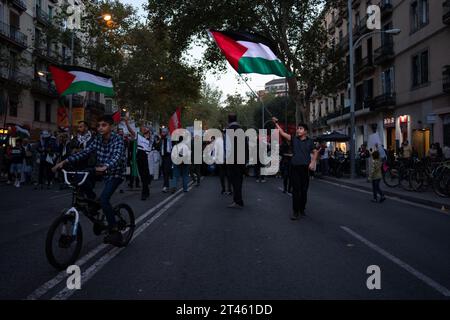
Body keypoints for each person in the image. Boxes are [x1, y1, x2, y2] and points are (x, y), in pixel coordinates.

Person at [52, 115, 126, 246]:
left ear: (111, 126)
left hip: (115, 173)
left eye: (104, 125)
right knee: (80, 176)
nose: (100, 128)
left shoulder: (118, 139)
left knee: (104, 200)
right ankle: (93, 201)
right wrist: (64, 161)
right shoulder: (97, 139)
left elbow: (117, 156)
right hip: (99, 169)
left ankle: (114, 229)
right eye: (98, 126)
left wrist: (106, 166)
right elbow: (85, 152)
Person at [273, 117, 319, 220]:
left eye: (301, 128)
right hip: (295, 168)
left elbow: (316, 152)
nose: (298, 130)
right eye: (298, 128)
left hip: (305, 169)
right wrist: (276, 123)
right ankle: (295, 212)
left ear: (305, 131)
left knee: (304, 191)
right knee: (296, 190)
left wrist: (312, 162)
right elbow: (282, 133)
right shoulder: (294, 139)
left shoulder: (310, 141)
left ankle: (302, 209)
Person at [125, 117, 155, 200]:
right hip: (139, 157)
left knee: (145, 176)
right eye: (144, 128)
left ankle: (144, 193)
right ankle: (146, 191)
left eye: (146, 128)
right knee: (142, 176)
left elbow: (150, 150)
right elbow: (131, 131)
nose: (144, 129)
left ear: (149, 132)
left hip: (147, 158)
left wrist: (143, 125)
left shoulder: (151, 140)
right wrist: (127, 123)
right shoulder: (138, 136)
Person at [225, 113, 248, 209]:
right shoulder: (241, 130)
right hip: (241, 159)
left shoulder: (229, 130)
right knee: (239, 180)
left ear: (228, 120)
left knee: (234, 181)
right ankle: (239, 200)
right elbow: (246, 146)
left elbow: (228, 147)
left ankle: (237, 201)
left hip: (233, 160)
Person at [159, 128, 172, 192]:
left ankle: (165, 186)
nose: (162, 133)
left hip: (168, 157)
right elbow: (160, 147)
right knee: (164, 172)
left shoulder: (169, 139)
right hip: (162, 157)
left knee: (166, 171)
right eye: (162, 132)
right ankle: (167, 185)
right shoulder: (161, 139)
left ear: (167, 133)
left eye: (164, 132)